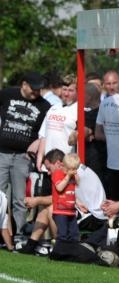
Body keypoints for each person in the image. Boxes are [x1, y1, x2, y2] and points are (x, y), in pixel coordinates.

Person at [0, 71, 51, 238]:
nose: (36, 93)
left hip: (23, 157)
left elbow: (45, 131)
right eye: (33, 89)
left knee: (19, 200)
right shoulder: (7, 94)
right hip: (2, 153)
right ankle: (3, 234)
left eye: (39, 90)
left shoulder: (44, 106)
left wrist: (37, 143)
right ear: (24, 85)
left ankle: (20, 234)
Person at [95, 69, 119, 201]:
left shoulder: (104, 104)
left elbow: (98, 133)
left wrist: (112, 136)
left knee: (115, 202)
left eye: (114, 83)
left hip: (118, 162)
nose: (111, 87)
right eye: (108, 83)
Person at [51, 153, 80, 244]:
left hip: (71, 210)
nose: (73, 171)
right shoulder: (58, 173)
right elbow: (59, 188)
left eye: (75, 169)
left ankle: (73, 252)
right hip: (60, 211)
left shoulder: (73, 176)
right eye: (71, 169)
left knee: (74, 234)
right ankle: (60, 251)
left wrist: (75, 175)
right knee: (62, 234)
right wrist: (67, 176)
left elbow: (78, 185)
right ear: (64, 166)